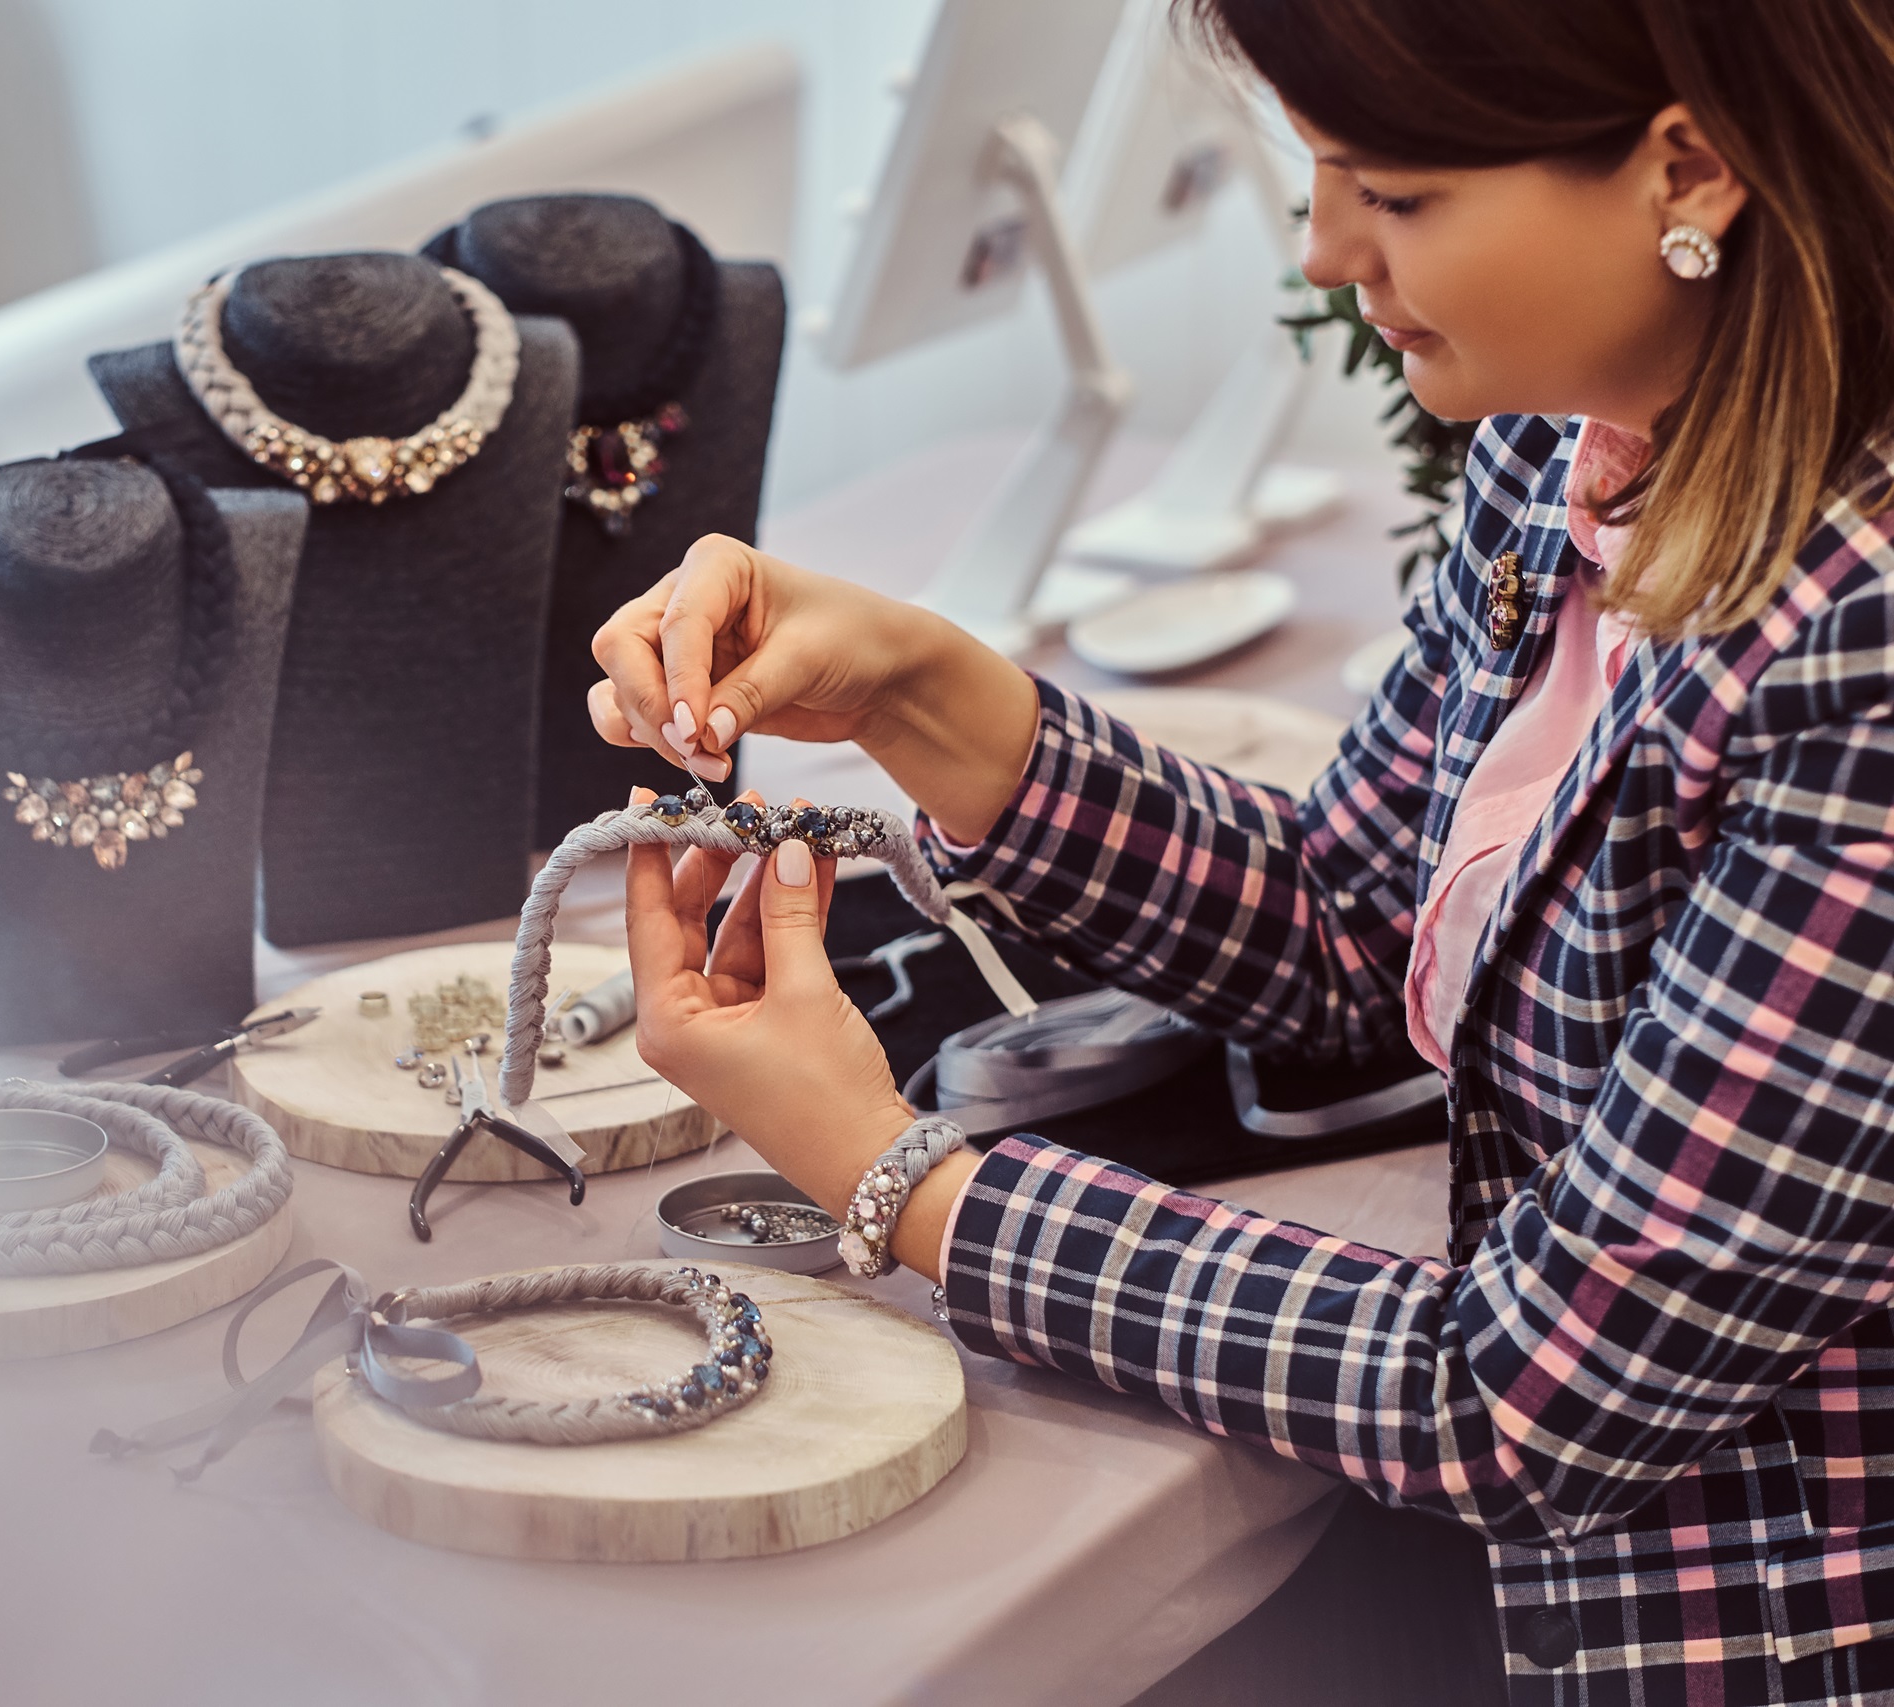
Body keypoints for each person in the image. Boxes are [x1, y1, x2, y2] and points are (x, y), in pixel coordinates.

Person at [587, 1, 1894, 1702]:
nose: (1328, 249)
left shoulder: (1862, 659)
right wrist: (924, 690)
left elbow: (1524, 1406)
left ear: (1692, 167)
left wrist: (889, 1173)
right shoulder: (1581, 439)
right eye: (1320, 174)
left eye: (1398, 195)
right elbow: (1360, 933)